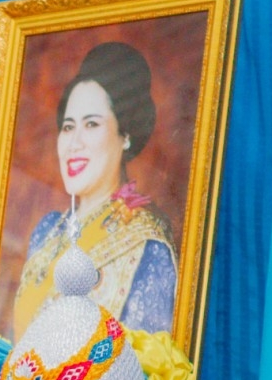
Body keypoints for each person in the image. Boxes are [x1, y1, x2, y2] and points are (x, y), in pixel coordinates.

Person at [9, 41, 179, 337]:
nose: (74, 143)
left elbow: (145, 362)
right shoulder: (47, 232)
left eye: (91, 125)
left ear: (126, 134)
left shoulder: (147, 247)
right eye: (68, 127)